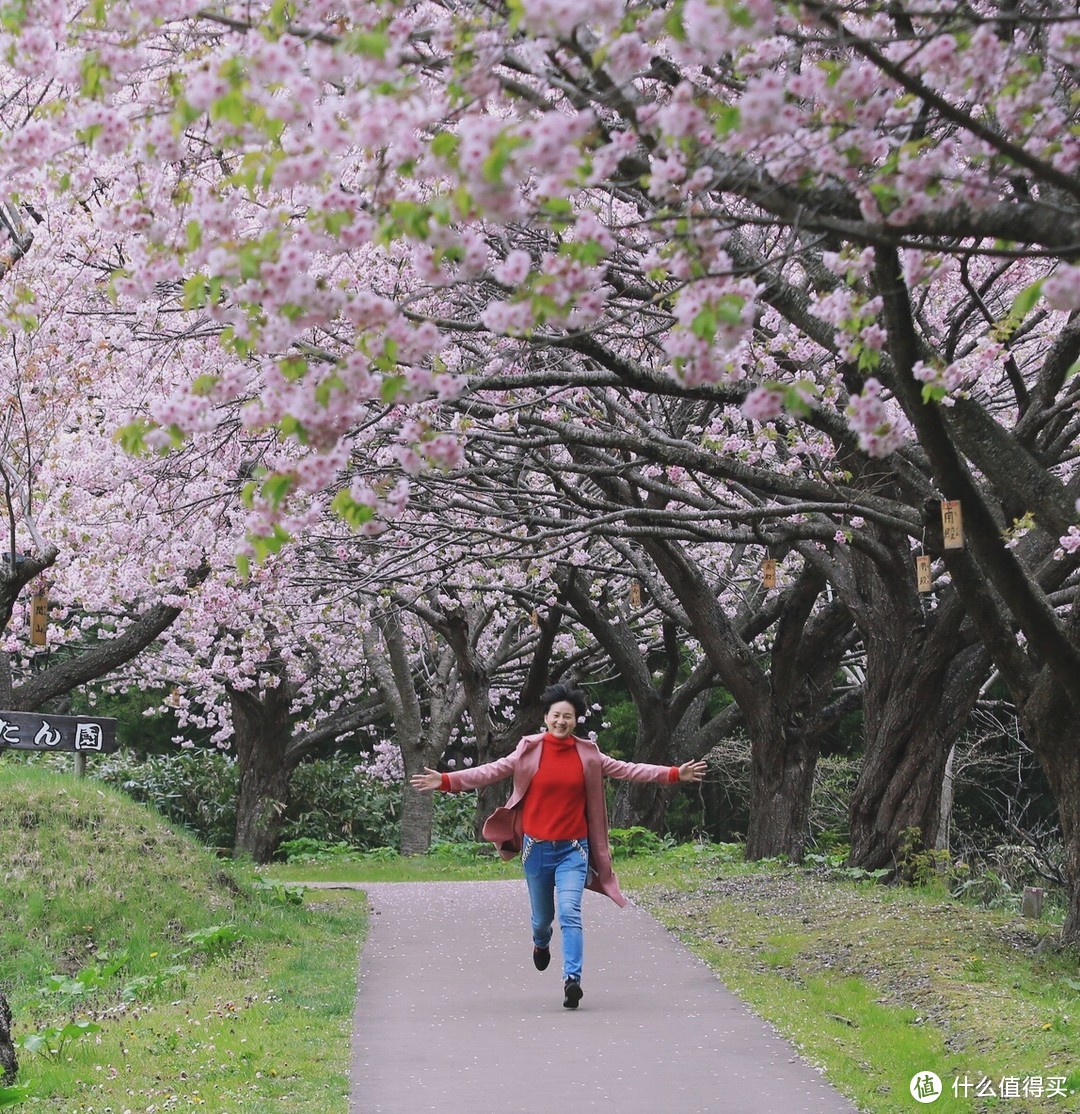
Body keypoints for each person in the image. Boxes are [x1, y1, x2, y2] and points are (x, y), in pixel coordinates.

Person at [410, 682, 708, 1010]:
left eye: (568, 716)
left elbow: (629, 770)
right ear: (546, 717)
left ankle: (572, 980)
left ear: (577, 720)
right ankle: (541, 944)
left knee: (570, 912)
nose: (561, 721)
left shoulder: (588, 754)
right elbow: (491, 771)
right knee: (542, 921)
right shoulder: (529, 750)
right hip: (536, 850)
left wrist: (674, 774)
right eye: (556, 716)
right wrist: (447, 781)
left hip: (573, 851)